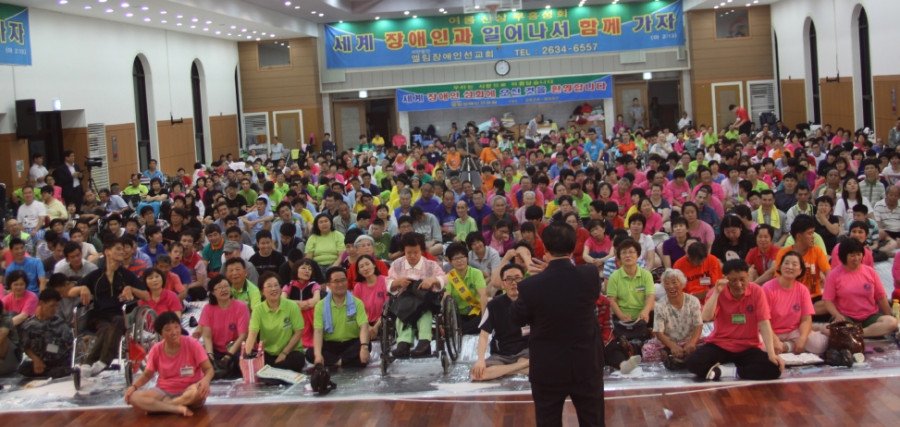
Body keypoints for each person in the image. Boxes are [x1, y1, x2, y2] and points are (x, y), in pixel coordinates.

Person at [510, 222, 604, 426]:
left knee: (548, 421)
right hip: (586, 364)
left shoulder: (530, 286)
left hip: (548, 367)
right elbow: (571, 283)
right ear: (573, 246)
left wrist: (536, 274)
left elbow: (517, 317)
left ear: (544, 247)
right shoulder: (590, 275)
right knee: (593, 421)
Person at [686, 259, 784, 381]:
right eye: (733, 280)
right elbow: (706, 317)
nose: (738, 284)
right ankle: (736, 370)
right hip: (720, 344)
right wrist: (716, 293)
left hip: (747, 346)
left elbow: (764, 323)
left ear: (748, 276)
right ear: (725, 278)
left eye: (742, 279)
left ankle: (726, 371)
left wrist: (771, 354)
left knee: (774, 368)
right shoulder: (717, 291)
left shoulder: (757, 291)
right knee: (693, 363)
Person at [75, 236, 148, 377]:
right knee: (105, 327)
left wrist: (131, 289)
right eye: (118, 249)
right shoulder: (96, 275)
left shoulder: (126, 275)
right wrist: (82, 288)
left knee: (117, 321)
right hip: (99, 316)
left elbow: (145, 295)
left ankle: (97, 361)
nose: (122, 252)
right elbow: (70, 291)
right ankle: (95, 362)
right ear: (107, 252)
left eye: (123, 249)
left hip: (121, 315)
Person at [125, 312, 214, 417]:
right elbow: (147, 375)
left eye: (176, 327)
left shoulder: (192, 343)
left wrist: (205, 381)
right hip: (164, 391)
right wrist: (134, 387)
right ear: (161, 333)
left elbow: (209, 369)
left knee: (198, 392)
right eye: (168, 330)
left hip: (190, 390)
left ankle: (161, 406)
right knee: (132, 397)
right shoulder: (156, 349)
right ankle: (175, 408)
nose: (174, 332)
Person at [823, 239, 899, 338]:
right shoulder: (834, 275)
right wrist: (837, 315)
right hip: (846, 317)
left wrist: (889, 315)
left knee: (891, 322)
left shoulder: (870, 272)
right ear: (844, 256)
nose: (856, 258)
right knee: (832, 330)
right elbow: (828, 301)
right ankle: (861, 333)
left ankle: (858, 333)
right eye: (852, 255)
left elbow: (881, 297)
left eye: (859, 254)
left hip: (870, 316)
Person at [387, 233, 446, 358]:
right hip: (404, 299)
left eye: (416, 252)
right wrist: (397, 282)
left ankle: (424, 341)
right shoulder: (397, 264)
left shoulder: (430, 265)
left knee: (425, 312)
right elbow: (388, 282)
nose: (412, 256)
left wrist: (432, 280)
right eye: (409, 253)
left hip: (424, 299)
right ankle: (403, 343)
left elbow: (443, 278)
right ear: (404, 251)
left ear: (421, 251)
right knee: (401, 313)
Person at [471, 264, 530, 381]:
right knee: (476, 375)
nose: (514, 283)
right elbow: (484, 335)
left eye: (517, 278)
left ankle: (502, 371)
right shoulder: (493, 305)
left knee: (544, 365)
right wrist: (480, 360)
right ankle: (520, 367)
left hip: (526, 351)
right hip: (502, 354)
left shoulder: (532, 301)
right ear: (503, 284)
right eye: (509, 279)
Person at [762, 252, 828, 355]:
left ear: (800, 271)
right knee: (761, 347)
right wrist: (774, 339)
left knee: (819, 345)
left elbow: (806, 319)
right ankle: (789, 346)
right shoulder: (767, 288)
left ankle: (786, 346)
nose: (790, 267)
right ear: (780, 267)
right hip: (770, 331)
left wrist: (803, 338)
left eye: (794, 264)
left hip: (793, 331)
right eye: (786, 263)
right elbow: (763, 320)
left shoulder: (803, 290)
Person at [244, 272, 307, 372]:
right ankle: (274, 370)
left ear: (281, 288)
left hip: (290, 351)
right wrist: (246, 356)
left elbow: (299, 332)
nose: (273, 289)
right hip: (268, 353)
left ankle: (271, 370)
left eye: (276, 285)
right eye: (269, 286)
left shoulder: (292, 306)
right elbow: (252, 334)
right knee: (253, 362)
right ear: (262, 291)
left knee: (298, 360)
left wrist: (284, 353)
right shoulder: (258, 310)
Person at [310, 267, 370, 368]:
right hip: (331, 345)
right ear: (328, 285)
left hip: (351, 343)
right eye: (336, 281)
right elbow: (318, 331)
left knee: (366, 345)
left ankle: (335, 362)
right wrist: (318, 355)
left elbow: (364, 326)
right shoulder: (320, 305)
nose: (341, 284)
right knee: (311, 352)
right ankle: (344, 362)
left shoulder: (357, 303)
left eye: (343, 280)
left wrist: (364, 348)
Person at [641, 269, 702, 367]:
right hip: (668, 341)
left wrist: (692, 342)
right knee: (648, 352)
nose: (671, 286)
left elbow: (698, 325)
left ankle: (679, 358)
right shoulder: (660, 305)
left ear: (682, 284)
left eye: (674, 282)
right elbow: (658, 332)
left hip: (688, 339)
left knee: (707, 347)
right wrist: (672, 346)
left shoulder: (693, 301)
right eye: (667, 283)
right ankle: (675, 357)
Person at [199, 276, 249, 379]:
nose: (224, 290)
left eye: (226, 286)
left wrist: (228, 356)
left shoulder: (241, 307)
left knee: (238, 362)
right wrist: (210, 356)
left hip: (236, 349)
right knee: (200, 358)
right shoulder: (208, 309)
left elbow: (243, 336)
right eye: (219, 287)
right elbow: (207, 336)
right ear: (213, 292)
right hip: (216, 350)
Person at [17, 289, 73, 378]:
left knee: (58, 372)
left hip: (58, 362)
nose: (54, 309)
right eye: (51, 306)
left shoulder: (60, 324)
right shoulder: (29, 326)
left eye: (56, 306)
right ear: (41, 303)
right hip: (40, 363)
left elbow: (70, 346)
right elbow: (25, 347)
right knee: (23, 368)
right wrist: (36, 359)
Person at [444, 242, 489, 334]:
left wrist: (484, 319)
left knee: (485, 318)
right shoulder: (449, 276)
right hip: (459, 315)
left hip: (476, 311)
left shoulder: (476, 273)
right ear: (450, 261)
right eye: (455, 258)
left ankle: (459, 331)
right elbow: (446, 297)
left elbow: (483, 296)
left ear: (467, 258)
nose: (459, 261)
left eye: (462, 257)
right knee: (453, 325)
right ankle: (460, 330)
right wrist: (446, 319)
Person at [607, 239, 655, 324]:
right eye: (624, 252)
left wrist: (645, 312)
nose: (627, 255)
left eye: (631, 252)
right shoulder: (614, 276)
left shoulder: (646, 275)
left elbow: (650, 296)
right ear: (619, 256)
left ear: (638, 255)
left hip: (643, 316)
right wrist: (621, 316)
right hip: (621, 317)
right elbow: (612, 300)